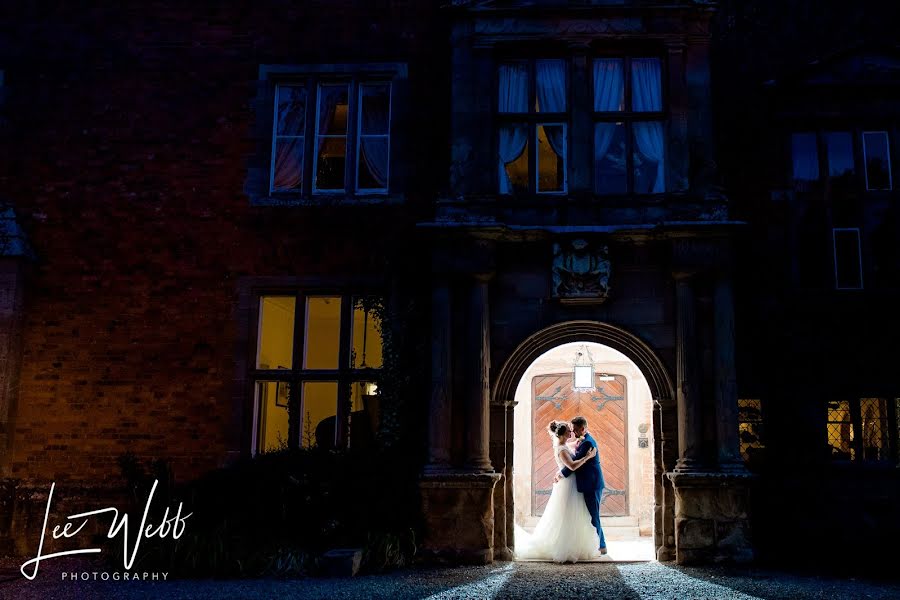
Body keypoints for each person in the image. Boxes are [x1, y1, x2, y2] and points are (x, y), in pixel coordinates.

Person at [514, 420, 602, 563]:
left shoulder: (564, 445)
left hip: (572, 483)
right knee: (566, 515)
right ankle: (564, 547)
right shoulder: (561, 449)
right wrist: (588, 457)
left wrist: (581, 441)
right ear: (562, 434)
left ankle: (577, 546)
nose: (571, 432)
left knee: (576, 514)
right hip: (568, 485)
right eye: (569, 430)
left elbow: (575, 447)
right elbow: (572, 466)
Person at [558, 415, 607, 554]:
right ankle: (599, 545)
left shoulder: (587, 443)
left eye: (575, 430)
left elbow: (575, 464)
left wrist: (561, 474)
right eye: (571, 430)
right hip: (589, 482)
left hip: (591, 483)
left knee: (594, 516)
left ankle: (601, 546)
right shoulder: (584, 440)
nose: (573, 433)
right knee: (592, 515)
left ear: (583, 428)